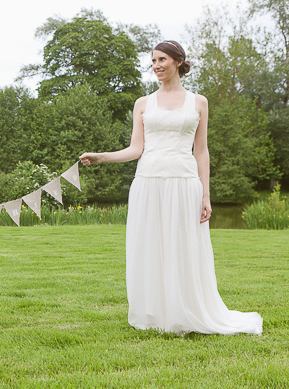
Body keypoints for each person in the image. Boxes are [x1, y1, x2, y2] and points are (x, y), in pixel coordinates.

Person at [80, 40, 262, 335]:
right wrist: (101, 157)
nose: (156, 66)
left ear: (178, 61)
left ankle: (186, 312)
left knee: (184, 248)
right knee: (150, 247)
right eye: (153, 61)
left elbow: (201, 151)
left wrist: (206, 194)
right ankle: (155, 314)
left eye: (162, 59)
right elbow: (136, 149)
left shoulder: (198, 102)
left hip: (184, 183)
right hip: (148, 182)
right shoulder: (143, 103)